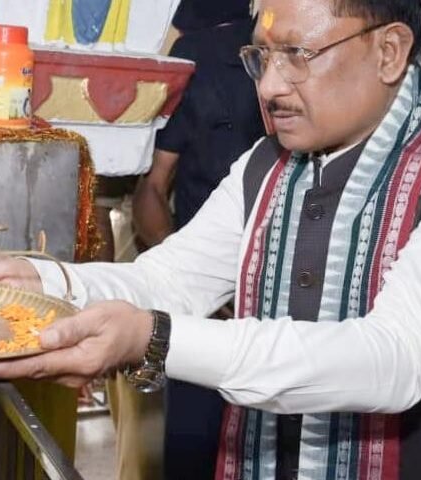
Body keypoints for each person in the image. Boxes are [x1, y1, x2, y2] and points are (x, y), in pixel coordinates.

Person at [0, 1, 421, 478]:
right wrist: (38, 281)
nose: (269, 86)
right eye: (262, 56)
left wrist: (153, 338)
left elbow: (393, 360)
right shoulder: (266, 166)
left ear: (389, 51)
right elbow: (169, 280)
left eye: (298, 54)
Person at [131, 0, 265, 477]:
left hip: (283, 318)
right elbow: (151, 189)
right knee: (194, 444)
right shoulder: (198, 60)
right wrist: (196, 282)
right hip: (204, 312)